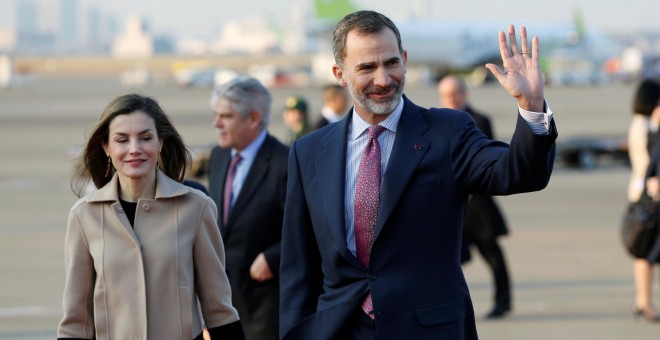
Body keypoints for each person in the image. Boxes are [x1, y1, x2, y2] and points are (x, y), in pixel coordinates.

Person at [279, 10, 557, 339]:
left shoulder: (448, 132)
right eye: (367, 68)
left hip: (428, 329)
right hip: (339, 330)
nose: (383, 79)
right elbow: (299, 266)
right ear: (340, 74)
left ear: (405, 60)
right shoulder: (309, 152)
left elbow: (518, 173)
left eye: (391, 63)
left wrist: (532, 105)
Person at [58, 94, 245, 339]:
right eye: (122, 140)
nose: (134, 149)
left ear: (160, 144)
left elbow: (219, 310)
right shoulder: (84, 216)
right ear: (106, 147)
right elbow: (76, 322)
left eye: (145, 138)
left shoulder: (196, 208)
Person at [207, 76, 288, 340]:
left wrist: (272, 257)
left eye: (225, 116)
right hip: (222, 307)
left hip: (266, 311)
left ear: (253, 119)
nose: (216, 124)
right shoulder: (218, 156)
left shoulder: (285, 163)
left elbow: (309, 230)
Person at [438, 75, 513, 319]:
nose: (448, 100)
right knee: (447, 260)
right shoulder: (436, 122)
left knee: (492, 254)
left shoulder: (480, 120)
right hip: (449, 205)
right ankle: (449, 306)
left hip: (477, 205)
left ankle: (503, 301)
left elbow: (486, 160)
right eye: (445, 96)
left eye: (452, 95)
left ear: (463, 94)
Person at [626, 78, 660, 321]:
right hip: (651, 195)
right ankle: (645, 301)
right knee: (648, 250)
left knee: (644, 249)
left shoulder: (637, 123)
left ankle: (642, 299)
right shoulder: (649, 126)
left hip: (638, 190)